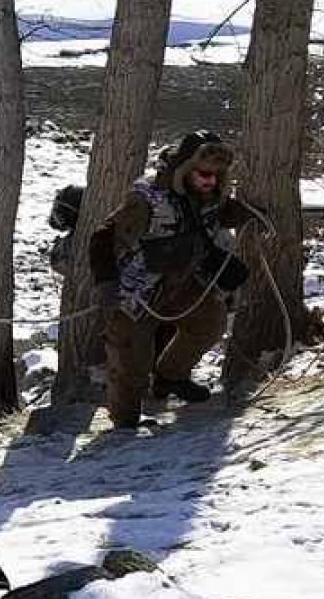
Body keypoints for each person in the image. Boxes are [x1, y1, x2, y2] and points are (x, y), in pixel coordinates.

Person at [89, 130, 253, 428]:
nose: (211, 181)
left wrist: (246, 214)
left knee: (210, 322)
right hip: (135, 291)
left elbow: (217, 215)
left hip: (182, 284)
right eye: (204, 174)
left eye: (217, 175)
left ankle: (170, 377)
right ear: (186, 168)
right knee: (131, 358)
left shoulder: (210, 196)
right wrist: (106, 283)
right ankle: (125, 422)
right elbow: (102, 238)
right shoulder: (146, 199)